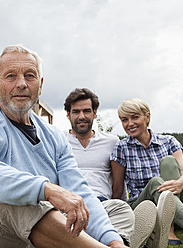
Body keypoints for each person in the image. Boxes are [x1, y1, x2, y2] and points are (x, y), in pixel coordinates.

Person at [0, 45, 128, 248]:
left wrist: (113, 241)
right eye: (11, 76)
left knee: (117, 209)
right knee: (19, 200)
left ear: (40, 85)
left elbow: (79, 191)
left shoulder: (52, 135)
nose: (21, 84)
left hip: (35, 229)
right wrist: (47, 189)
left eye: (30, 76)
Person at [63, 88, 158, 248]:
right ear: (68, 114)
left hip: (103, 205)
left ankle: (112, 241)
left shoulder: (112, 142)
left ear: (94, 113)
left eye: (87, 111)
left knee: (123, 209)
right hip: (70, 205)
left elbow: (119, 180)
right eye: (76, 111)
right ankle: (124, 241)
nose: (81, 116)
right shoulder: (58, 140)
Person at [110, 98, 183, 247]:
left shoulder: (168, 141)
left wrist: (180, 183)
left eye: (135, 117)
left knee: (169, 161)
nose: (129, 124)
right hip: (143, 207)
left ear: (147, 116)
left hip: (177, 206)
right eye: (124, 120)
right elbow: (117, 189)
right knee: (155, 181)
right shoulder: (121, 148)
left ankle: (170, 225)